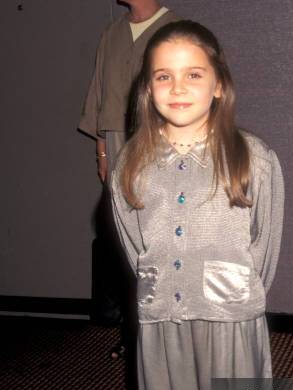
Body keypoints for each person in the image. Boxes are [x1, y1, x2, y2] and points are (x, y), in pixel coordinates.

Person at [111, 20, 293, 390]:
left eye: (194, 74)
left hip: (233, 322)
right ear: (148, 89)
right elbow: (131, 245)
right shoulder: (130, 164)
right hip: (161, 321)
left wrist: (233, 299)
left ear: (219, 84)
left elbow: (264, 250)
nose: (178, 86)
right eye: (163, 75)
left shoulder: (254, 157)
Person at [79, 1, 179, 357]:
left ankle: (163, 333)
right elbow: (100, 95)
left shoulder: (175, 29)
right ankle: (132, 331)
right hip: (118, 142)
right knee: (124, 241)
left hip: (156, 141)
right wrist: (102, 153)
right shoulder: (113, 33)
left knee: (157, 237)